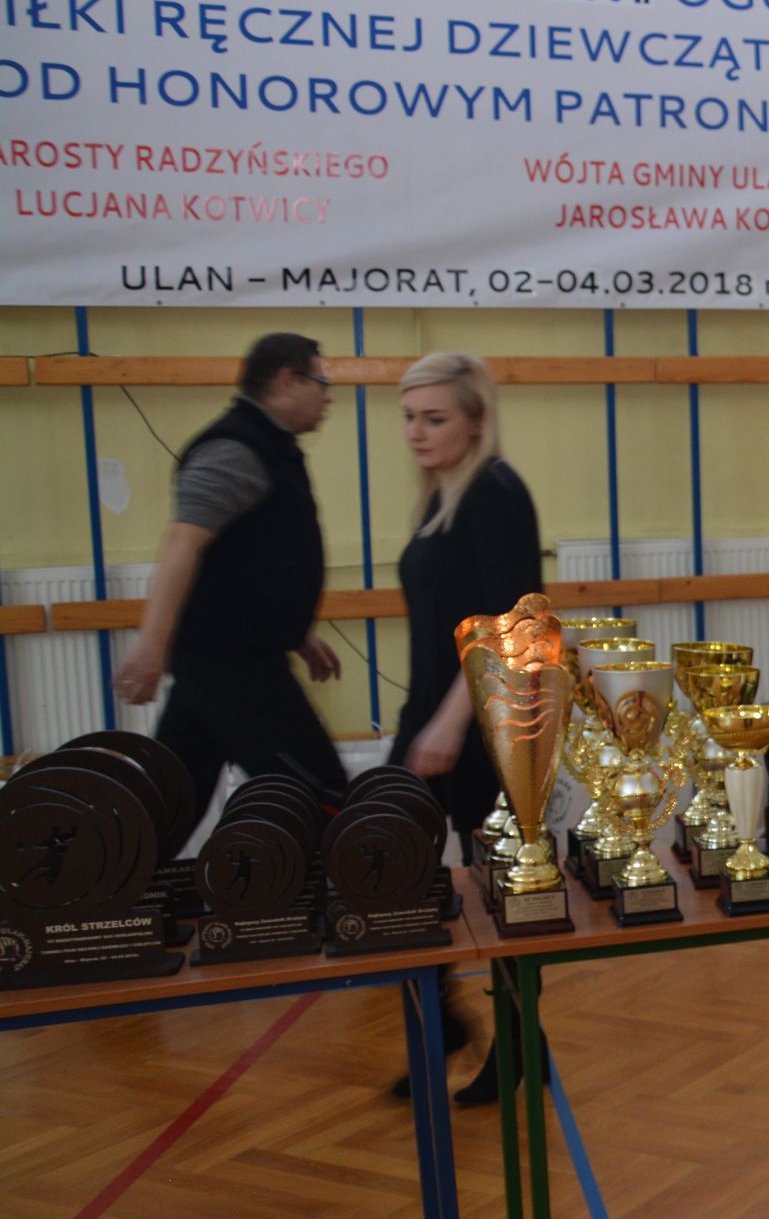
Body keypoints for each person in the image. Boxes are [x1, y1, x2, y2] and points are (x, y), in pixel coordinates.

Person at [384, 353, 544, 1105]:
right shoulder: (440, 496)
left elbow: (511, 626)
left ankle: (516, 1046)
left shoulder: (496, 494)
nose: (416, 432)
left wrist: (450, 724)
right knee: (397, 868)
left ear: (475, 421)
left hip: (482, 726)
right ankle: (445, 1023)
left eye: (434, 418)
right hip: (432, 714)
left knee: (497, 888)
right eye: (409, 418)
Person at [115, 333, 348, 816]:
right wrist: (151, 648)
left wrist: (293, 631)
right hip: (233, 665)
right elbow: (182, 543)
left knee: (167, 804)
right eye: (321, 383)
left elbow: (251, 559)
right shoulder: (235, 449)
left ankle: (109, 864)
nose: (328, 396)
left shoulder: (270, 446)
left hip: (227, 657)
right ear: (287, 381)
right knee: (319, 792)